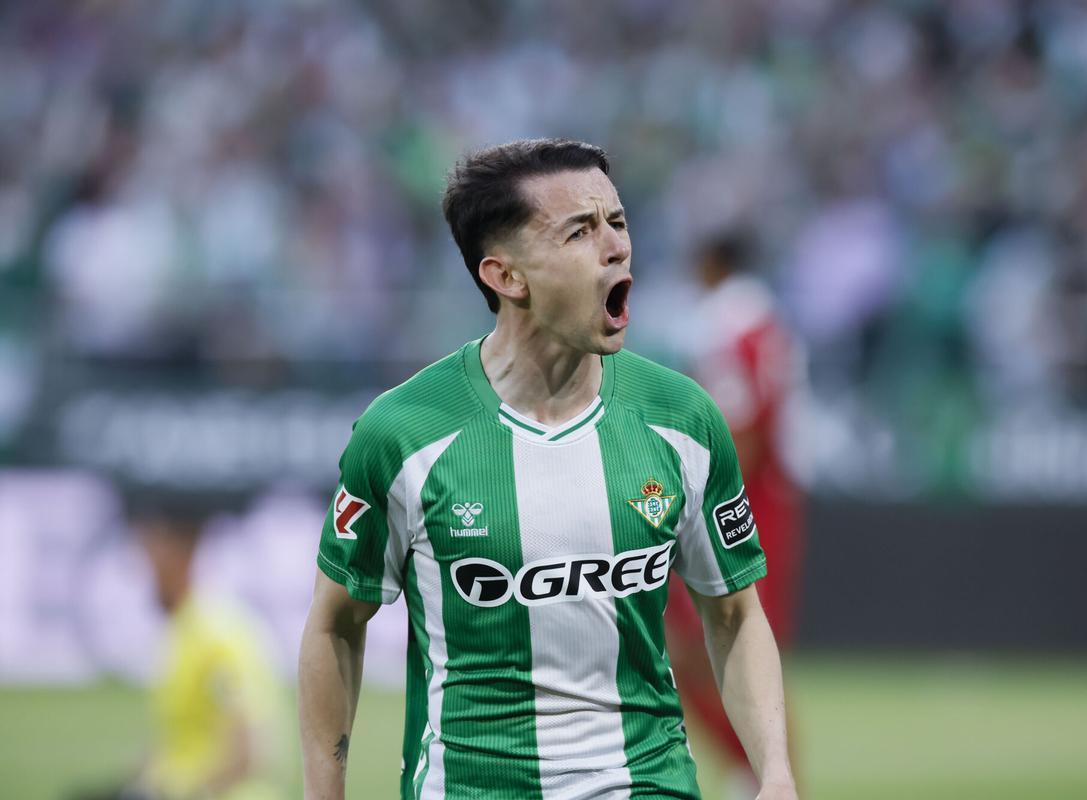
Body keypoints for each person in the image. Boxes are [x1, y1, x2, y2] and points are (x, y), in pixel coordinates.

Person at [298, 138, 798, 799]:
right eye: (580, 231)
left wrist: (777, 775)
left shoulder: (684, 419)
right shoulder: (403, 435)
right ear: (506, 276)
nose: (616, 246)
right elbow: (336, 622)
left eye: (617, 223)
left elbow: (733, 615)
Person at [666, 234, 807, 796]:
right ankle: (756, 771)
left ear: (710, 262)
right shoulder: (766, 320)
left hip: (745, 498)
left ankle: (770, 775)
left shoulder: (726, 325)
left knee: (718, 640)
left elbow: (741, 426)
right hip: (770, 494)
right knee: (698, 646)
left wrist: (705, 496)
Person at [122, 512, 286, 800]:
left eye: (151, 559)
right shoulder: (184, 630)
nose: (144, 572)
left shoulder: (217, 635)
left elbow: (248, 751)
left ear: (180, 556)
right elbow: (179, 739)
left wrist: (189, 792)